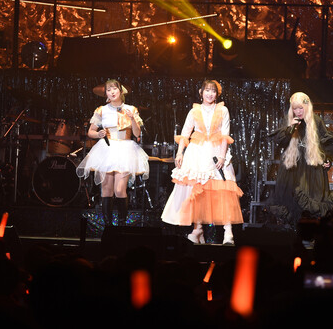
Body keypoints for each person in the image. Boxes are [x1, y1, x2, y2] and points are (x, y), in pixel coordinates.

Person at [161, 80, 243, 245]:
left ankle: (228, 232)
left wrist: (222, 156)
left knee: (223, 190)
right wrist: (179, 153)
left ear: (217, 94)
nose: (210, 94)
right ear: (201, 92)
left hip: (216, 152)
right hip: (197, 153)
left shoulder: (223, 110)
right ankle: (198, 230)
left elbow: (225, 135)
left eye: (213, 91)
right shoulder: (194, 111)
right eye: (207, 90)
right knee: (197, 192)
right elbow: (185, 133)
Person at [76, 79, 149, 226]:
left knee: (120, 189)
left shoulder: (131, 109)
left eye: (114, 89)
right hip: (107, 149)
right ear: (106, 94)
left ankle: (121, 224)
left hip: (125, 149)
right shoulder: (101, 110)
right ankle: (108, 227)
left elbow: (137, 134)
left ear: (121, 91)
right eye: (108, 90)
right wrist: (98, 134)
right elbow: (91, 132)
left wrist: (132, 118)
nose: (112, 92)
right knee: (106, 190)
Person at [267, 92, 333, 228]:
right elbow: (280, 141)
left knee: (311, 202)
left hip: (312, 169)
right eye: (295, 109)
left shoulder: (316, 121)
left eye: (300, 108)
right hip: (292, 168)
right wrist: (290, 129)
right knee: (292, 203)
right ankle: (295, 232)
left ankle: (310, 233)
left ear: (307, 107)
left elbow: (326, 144)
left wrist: (327, 160)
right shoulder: (289, 120)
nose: (298, 112)